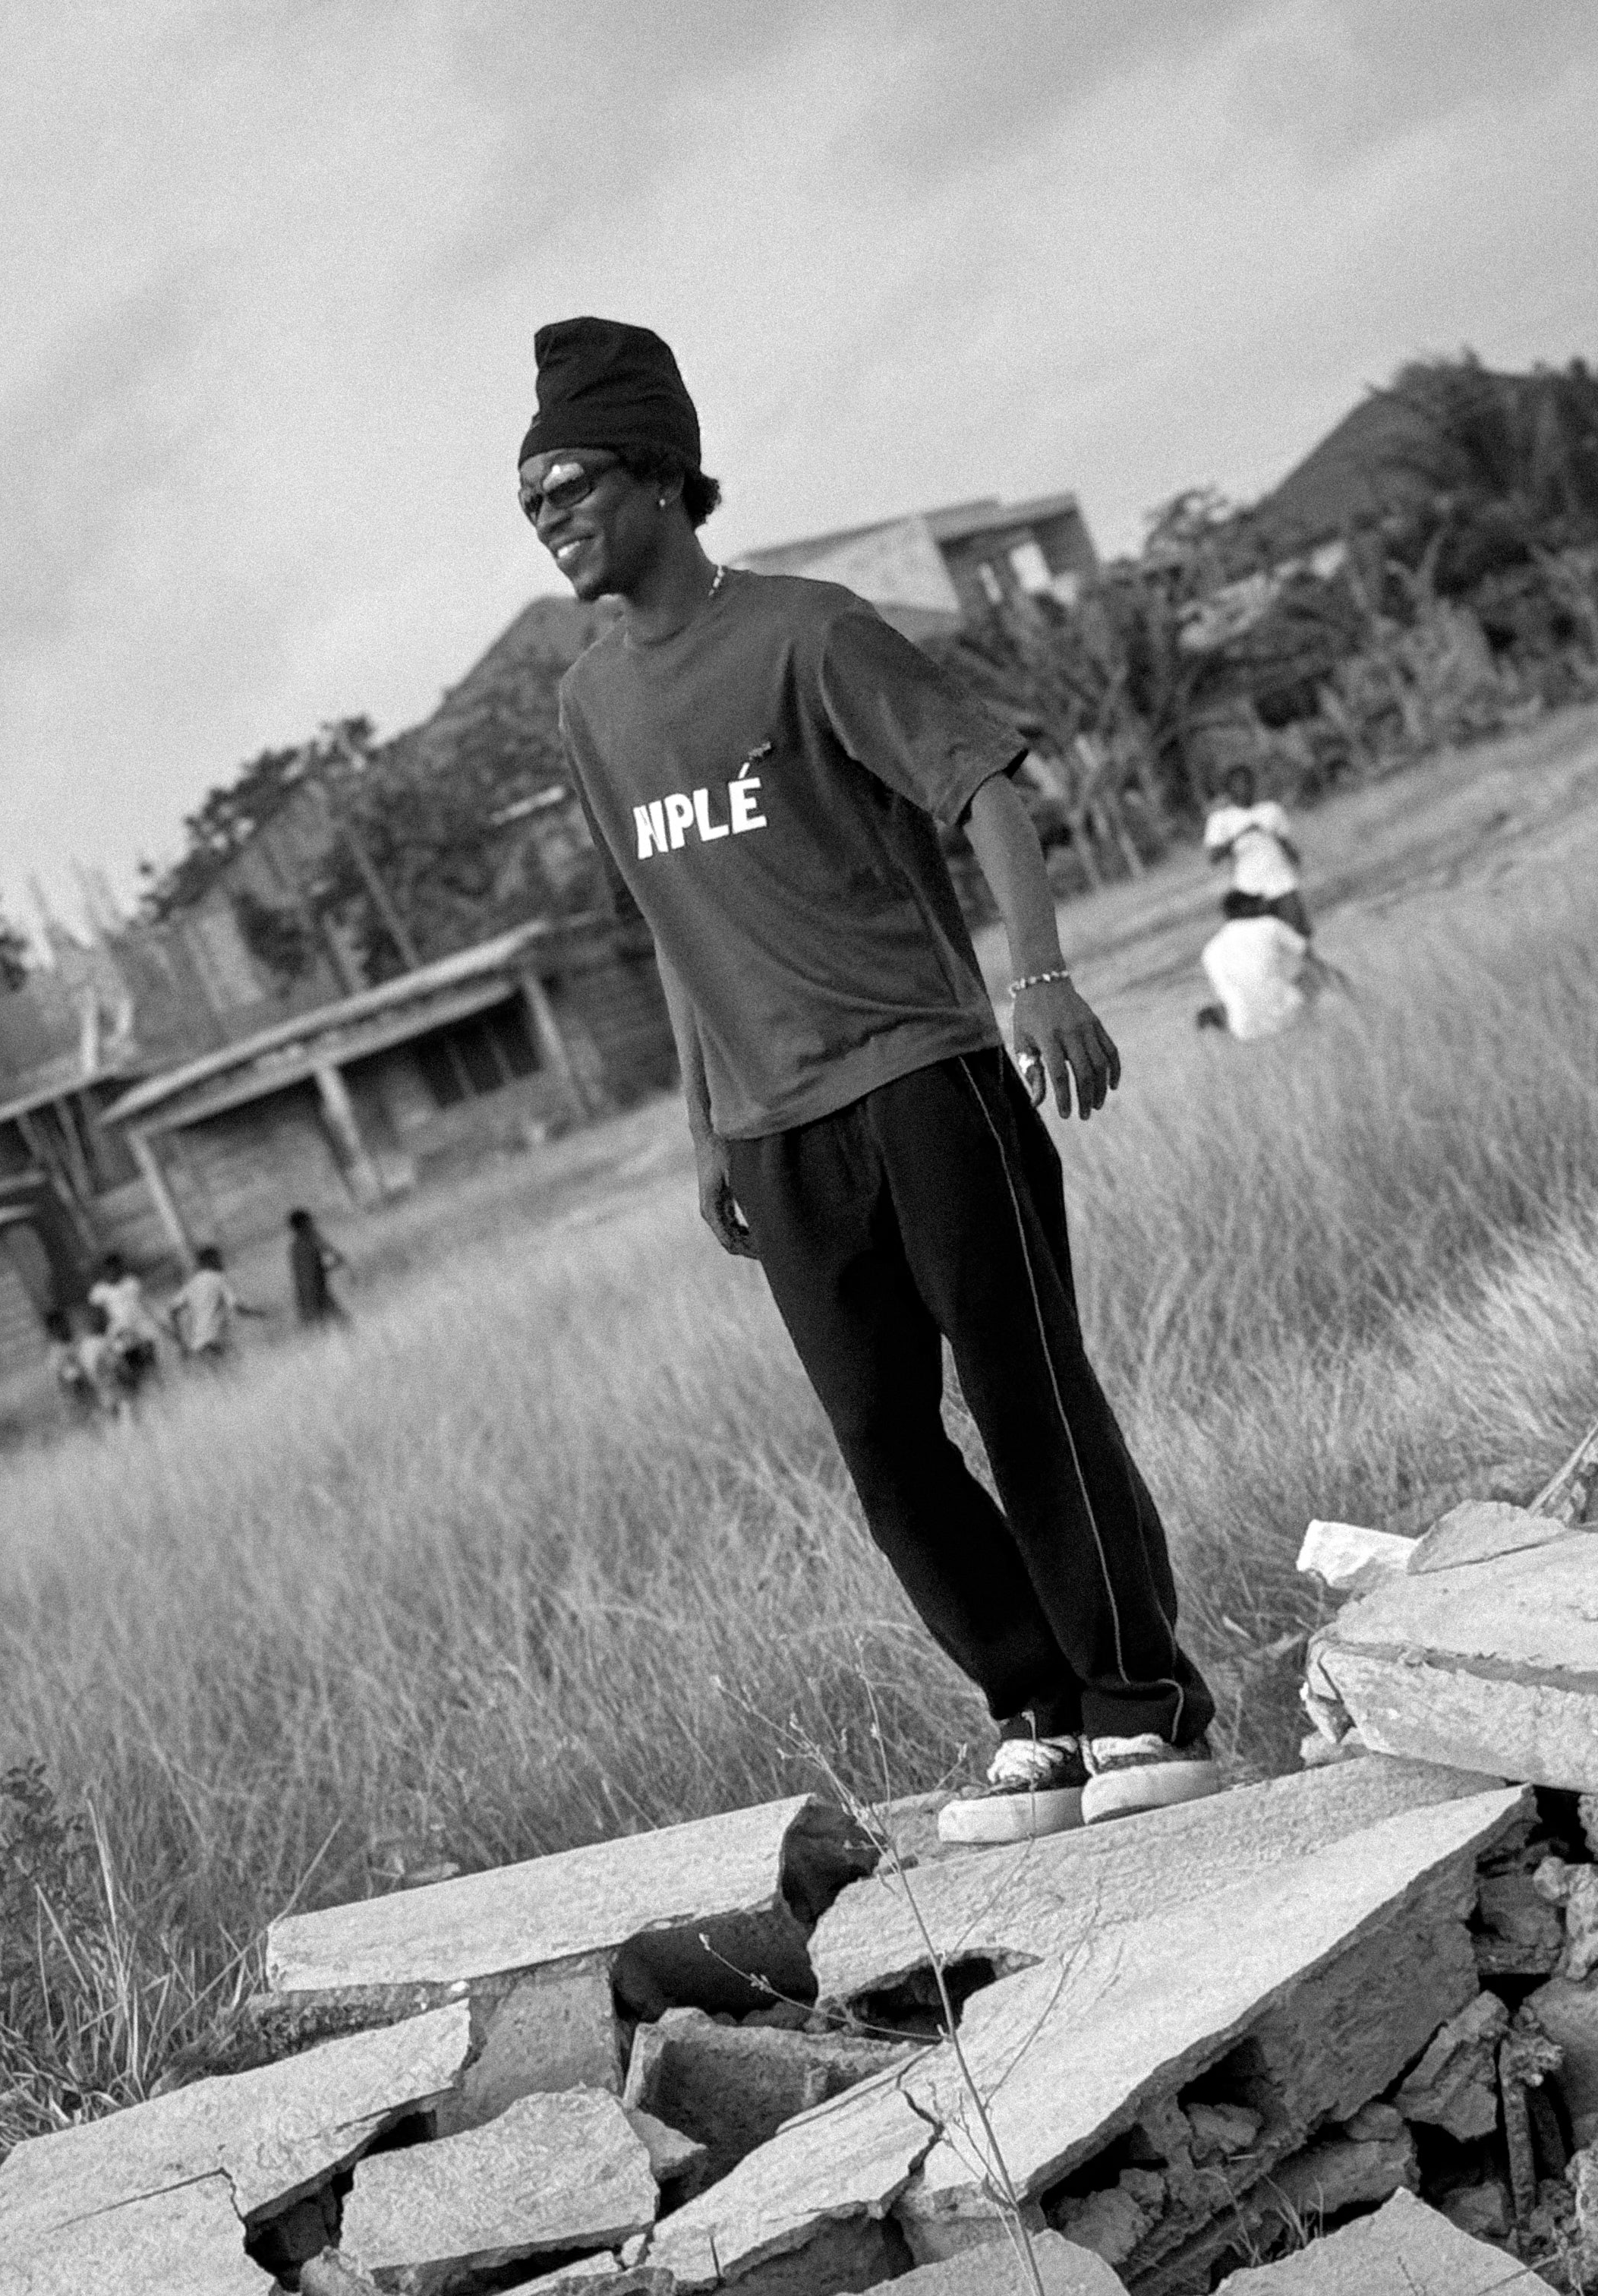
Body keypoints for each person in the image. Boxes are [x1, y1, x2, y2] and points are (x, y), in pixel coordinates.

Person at [524, 315, 1217, 1845]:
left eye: (570, 482)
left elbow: (988, 795)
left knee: (1025, 1391)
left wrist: (1038, 979)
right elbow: (668, 923)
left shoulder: (810, 633)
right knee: (884, 1439)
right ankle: (1032, 1705)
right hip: (779, 1135)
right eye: (531, 499)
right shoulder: (588, 708)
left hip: (927, 1078)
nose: (550, 515)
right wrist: (703, 1126)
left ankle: (1143, 1704)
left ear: (658, 477)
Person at [1202, 764, 1311, 940]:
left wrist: (1298, 863)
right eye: (1238, 784)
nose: (1245, 788)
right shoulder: (1221, 819)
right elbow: (1214, 857)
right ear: (1230, 790)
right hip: (1251, 892)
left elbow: (1286, 843)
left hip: (1282, 883)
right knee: (1263, 940)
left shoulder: (1270, 810)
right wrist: (1240, 835)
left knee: (1299, 936)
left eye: (1247, 782)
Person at [1194, 890, 1311, 1042]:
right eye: (1256, 904)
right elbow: (1310, 957)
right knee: (1307, 974)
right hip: (1289, 1015)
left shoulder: (1209, 951)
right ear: (1244, 908)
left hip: (1244, 1031)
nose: (1263, 906)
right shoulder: (1270, 925)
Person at [170, 1244, 266, 1365]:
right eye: (218, 1258)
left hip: (198, 1346)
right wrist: (262, 1315)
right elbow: (238, 1309)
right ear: (211, 1260)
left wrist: (182, 1343)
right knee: (238, 1374)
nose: (222, 1262)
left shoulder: (192, 1284)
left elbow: (173, 1311)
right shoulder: (219, 1279)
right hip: (216, 1342)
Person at [88, 1252, 169, 1395]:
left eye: (117, 1269)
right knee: (126, 1358)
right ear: (105, 1272)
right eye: (110, 1270)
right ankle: (135, 1387)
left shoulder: (131, 1283)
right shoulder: (100, 1291)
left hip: (139, 1324)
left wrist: (158, 1323)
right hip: (118, 1330)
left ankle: (159, 1386)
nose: (114, 1273)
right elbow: (98, 1318)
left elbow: (143, 1304)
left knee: (150, 1351)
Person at [286, 1209, 348, 1327]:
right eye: (309, 1222)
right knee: (343, 1323)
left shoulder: (295, 1247)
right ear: (305, 1225)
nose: (313, 1225)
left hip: (305, 1296)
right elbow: (339, 1258)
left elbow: (303, 1274)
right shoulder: (311, 1241)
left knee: (323, 1329)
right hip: (317, 1293)